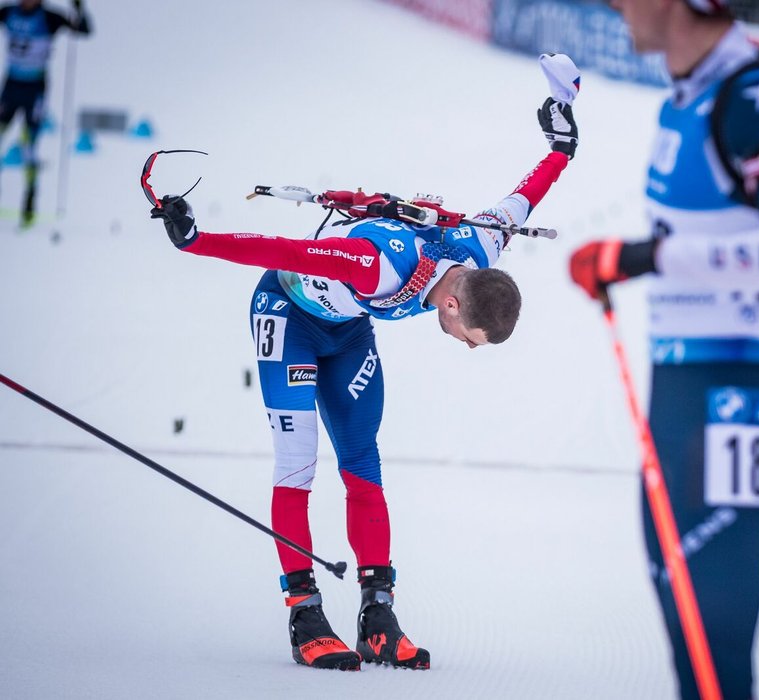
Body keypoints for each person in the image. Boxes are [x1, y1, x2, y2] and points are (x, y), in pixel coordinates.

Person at [149, 97, 578, 672]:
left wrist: (562, 147)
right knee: (299, 461)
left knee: (362, 463)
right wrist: (195, 239)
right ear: (452, 305)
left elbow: (523, 196)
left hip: (347, 333)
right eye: (471, 336)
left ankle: (378, 617)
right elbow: (281, 252)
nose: (470, 346)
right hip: (288, 317)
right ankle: (306, 616)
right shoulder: (373, 264)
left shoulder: (478, 251)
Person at [568, 1, 759, 698]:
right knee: (684, 616)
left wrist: (647, 256)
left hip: (739, 388)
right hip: (686, 385)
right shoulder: (689, 98)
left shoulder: (757, 95)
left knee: (710, 630)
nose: (616, 5)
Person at [0, 0, 90, 226]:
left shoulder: (50, 17)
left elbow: (83, 29)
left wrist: (79, 9)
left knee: (29, 146)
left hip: (35, 90)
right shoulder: (9, 12)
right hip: (10, 87)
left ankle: (29, 204)